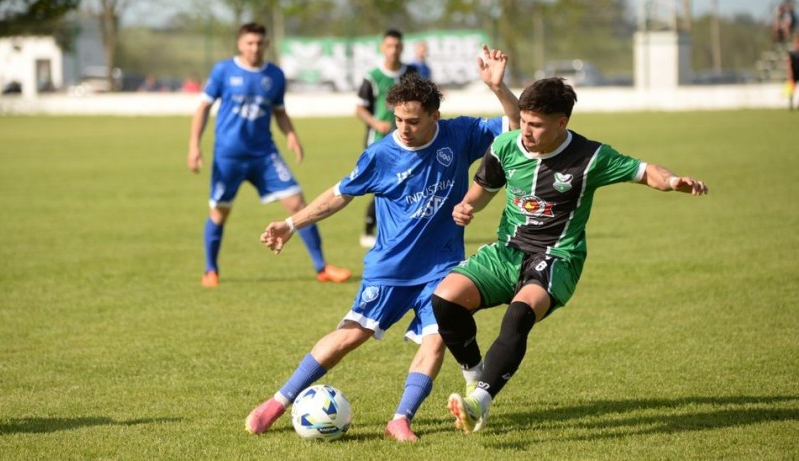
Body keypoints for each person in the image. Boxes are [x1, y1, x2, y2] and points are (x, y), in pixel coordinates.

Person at [245, 45, 521, 442]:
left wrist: (498, 88)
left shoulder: (460, 134)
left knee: (436, 340)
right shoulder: (380, 154)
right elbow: (339, 195)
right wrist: (291, 223)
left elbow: (514, 126)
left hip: (442, 267)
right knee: (350, 334)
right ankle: (277, 402)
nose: (403, 128)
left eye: (412, 121)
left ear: (434, 116)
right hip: (390, 268)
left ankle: (400, 419)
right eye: (398, 119)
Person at [430, 77, 709, 434]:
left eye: (536, 124)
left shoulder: (590, 157)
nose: (525, 130)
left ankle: (478, 403)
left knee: (519, 315)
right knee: (445, 300)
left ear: (561, 123)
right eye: (523, 120)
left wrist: (671, 182)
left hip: (557, 256)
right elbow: (482, 191)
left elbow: (644, 171)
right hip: (508, 251)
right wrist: (467, 206)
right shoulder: (504, 146)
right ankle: (475, 378)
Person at [187, 22, 351, 287]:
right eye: (249, 43)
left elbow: (279, 111)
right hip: (228, 157)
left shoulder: (274, 75)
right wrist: (194, 145)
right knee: (219, 213)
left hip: (264, 156)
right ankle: (210, 270)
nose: (254, 48)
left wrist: (291, 135)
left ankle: (322, 267)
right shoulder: (223, 71)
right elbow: (203, 108)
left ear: (266, 44)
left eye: (259, 43)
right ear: (240, 44)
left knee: (298, 204)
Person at [355, 29, 419, 248]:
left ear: (402, 48)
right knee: (386, 185)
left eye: (397, 46)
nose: (393, 50)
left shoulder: (411, 73)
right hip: (379, 140)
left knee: (409, 183)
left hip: (408, 138)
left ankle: (401, 230)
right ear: (382, 48)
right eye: (389, 46)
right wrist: (376, 123)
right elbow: (359, 109)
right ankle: (369, 227)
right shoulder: (373, 77)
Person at [788, 35, 799, 110]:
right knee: (792, 88)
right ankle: (791, 103)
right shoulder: (792, 53)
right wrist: (790, 72)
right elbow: (789, 63)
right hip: (794, 73)